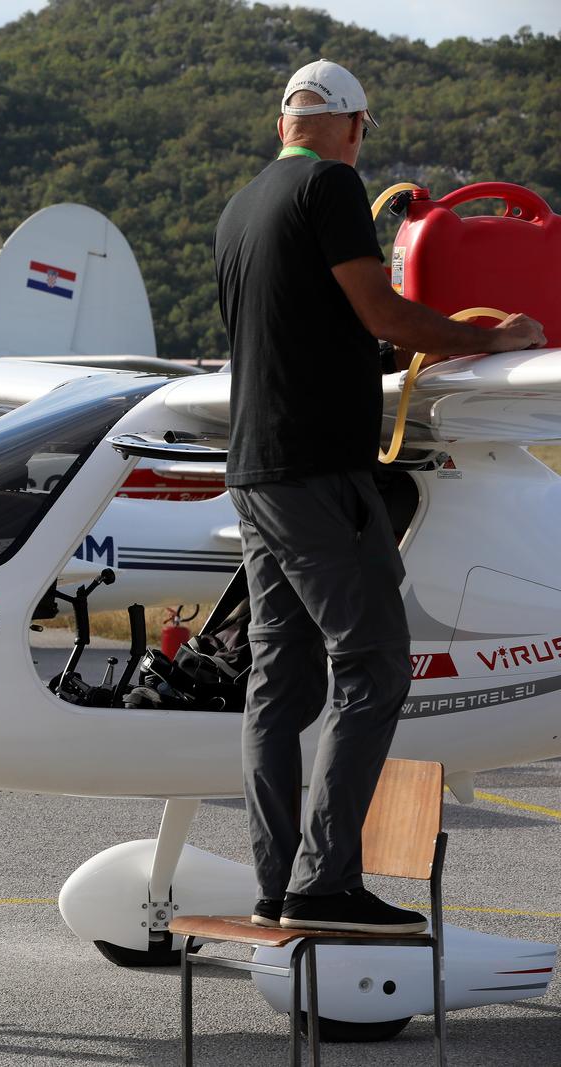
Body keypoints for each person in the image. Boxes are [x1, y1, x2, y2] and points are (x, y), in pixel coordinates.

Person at [214, 59, 546, 934]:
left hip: (253, 472)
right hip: (319, 475)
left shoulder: (240, 210)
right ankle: (326, 882)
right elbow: (381, 313)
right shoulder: (330, 188)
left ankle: (278, 878)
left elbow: (315, 341)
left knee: (278, 687)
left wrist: (405, 355)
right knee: (374, 666)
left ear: (280, 121)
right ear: (354, 129)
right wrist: (495, 334)